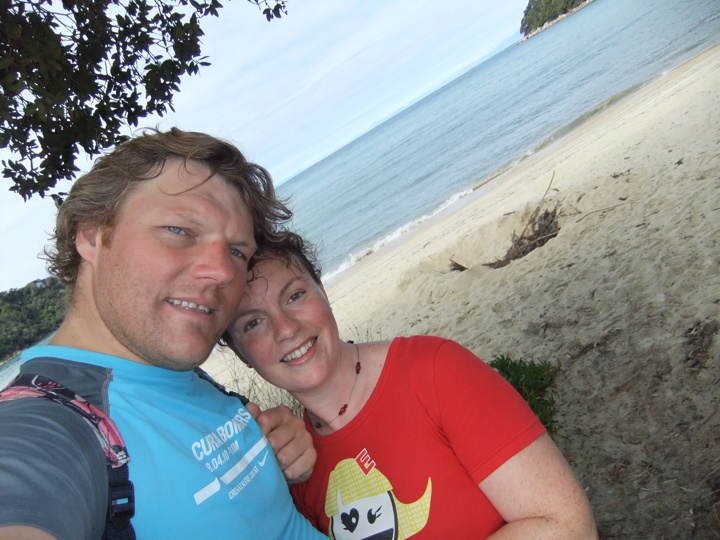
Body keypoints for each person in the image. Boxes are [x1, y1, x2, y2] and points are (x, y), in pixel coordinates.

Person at [0, 129, 326, 539]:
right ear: (91, 235)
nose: (223, 272)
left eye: (236, 252)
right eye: (179, 231)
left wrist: (281, 460)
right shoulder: (45, 427)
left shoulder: (173, 371)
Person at [225, 232, 599, 539]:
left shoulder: (434, 371)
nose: (286, 329)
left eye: (295, 296)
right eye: (252, 323)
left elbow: (567, 525)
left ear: (322, 290)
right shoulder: (292, 468)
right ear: (242, 354)